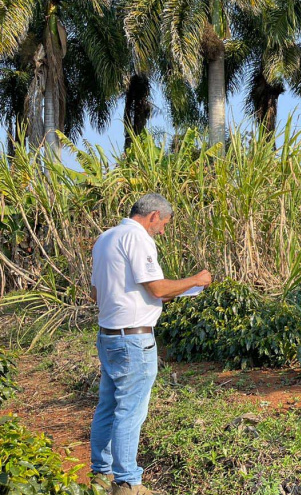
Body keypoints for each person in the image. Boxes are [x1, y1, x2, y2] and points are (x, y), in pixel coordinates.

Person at [89, 194, 212, 495]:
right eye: (164, 224)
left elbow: (97, 292)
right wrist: (195, 280)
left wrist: (156, 295)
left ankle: (101, 476)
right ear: (154, 215)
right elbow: (157, 287)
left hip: (108, 335)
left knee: (107, 406)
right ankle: (128, 482)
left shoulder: (105, 238)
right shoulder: (139, 238)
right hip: (134, 339)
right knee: (130, 411)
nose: (163, 230)